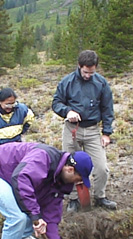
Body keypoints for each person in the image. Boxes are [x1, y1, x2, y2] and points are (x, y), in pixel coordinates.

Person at [52, 49, 117, 212]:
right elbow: (56, 103)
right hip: (72, 130)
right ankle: (73, 199)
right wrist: (67, 111)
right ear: (79, 66)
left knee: (101, 167)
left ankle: (100, 197)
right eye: (86, 72)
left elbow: (107, 108)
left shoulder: (101, 83)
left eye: (92, 72)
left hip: (93, 130)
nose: (89, 75)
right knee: (70, 166)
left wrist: (107, 133)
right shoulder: (67, 82)